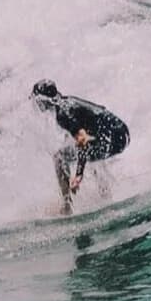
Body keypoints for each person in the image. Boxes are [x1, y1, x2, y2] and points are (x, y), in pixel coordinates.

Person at [32, 81, 130, 213]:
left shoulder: (62, 113)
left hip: (115, 140)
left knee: (59, 157)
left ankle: (67, 206)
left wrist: (78, 175)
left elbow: (82, 139)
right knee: (86, 150)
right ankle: (105, 193)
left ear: (43, 100)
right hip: (121, 132)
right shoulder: (67, 101)